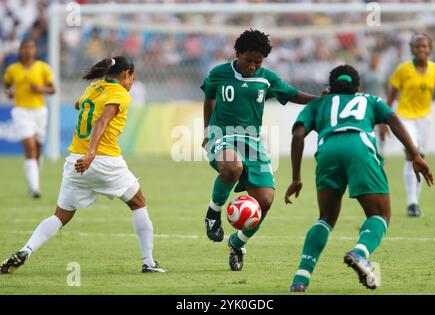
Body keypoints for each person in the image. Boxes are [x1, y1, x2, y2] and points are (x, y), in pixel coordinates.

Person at [1, 56, 166, 274]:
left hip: (74, 162)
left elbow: (79, 104)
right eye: (132, 78)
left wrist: (92, 104)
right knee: (138, 202)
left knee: (60, 216)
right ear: (126, 74)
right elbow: (101, 122)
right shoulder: (119, 94)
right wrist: (92, 154)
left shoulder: (94, 87)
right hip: (102, 160)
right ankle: (149, 262)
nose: (132, 83)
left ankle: (26, 250)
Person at [285, 65, 433, 292]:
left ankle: (300, 279)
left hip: (328, 150)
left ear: (330, 87)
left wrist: (296, 177)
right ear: (358, 86)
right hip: (359, 147)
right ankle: (359, 253)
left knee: (325, 218)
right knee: (380, 215)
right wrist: (415, 155)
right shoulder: (370, 100)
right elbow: (392, 119)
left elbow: (298, 135)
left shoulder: (319, 103)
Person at [200, 29, 318, 271]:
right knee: (232, 167)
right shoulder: (219, 73)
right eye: (248, 60)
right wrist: (206, 130)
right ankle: (213, 214)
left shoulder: (267, 78)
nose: (253, 66)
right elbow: (209, 98)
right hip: (222, 135)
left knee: (264, 200)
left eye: (258, 62)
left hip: (252, 142)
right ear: (238, 53)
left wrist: (320, 100)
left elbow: (292, 93)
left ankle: (238, 242)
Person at [381, 34, 435, 217]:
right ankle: (412, 203)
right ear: (411, 49)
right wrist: (383, 121)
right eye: (417, 46)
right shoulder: (403, 69)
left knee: (420, 156)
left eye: (424, 46)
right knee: (413, 153)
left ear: (430, 49)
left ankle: (415, 202)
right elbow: (391, 94)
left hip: (424, 119)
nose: (421, 49)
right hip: (404, 117)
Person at [3, 39, 55, 198]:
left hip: (39, 111)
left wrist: (39, 89)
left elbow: (52, 89)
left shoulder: (43, 67)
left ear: (34, 50)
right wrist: (10, 93)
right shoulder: (13, 69)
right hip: (21, 111)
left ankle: (34, 183)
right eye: (25, 48)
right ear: (20, 50)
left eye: (31, 47)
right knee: (30, 147)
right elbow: (7, 86)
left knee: (38, 149)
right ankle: (35, 188)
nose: (28, 50)